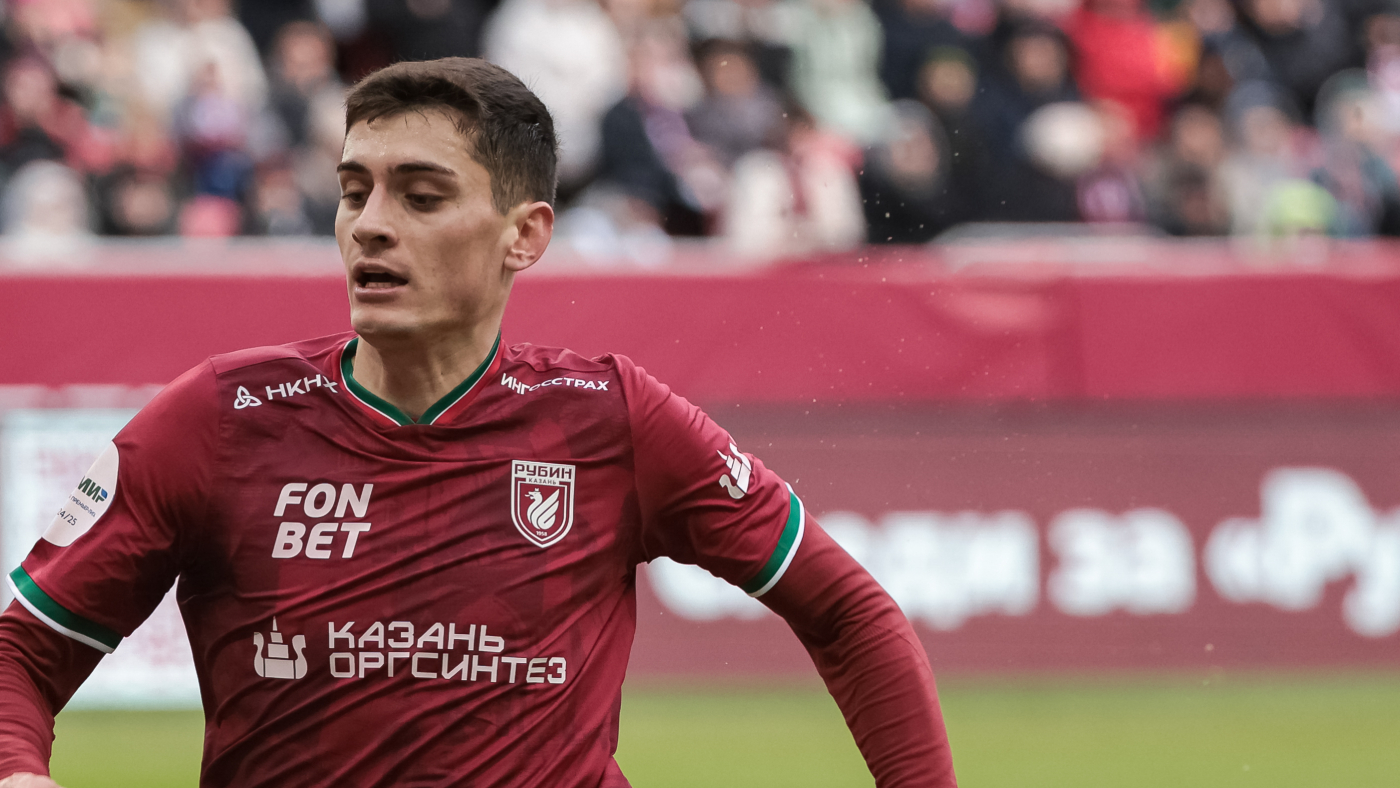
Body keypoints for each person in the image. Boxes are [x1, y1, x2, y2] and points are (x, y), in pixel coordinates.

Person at [0, 58, 956, 787]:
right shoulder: (217, 417)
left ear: (523, 235)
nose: (371, 224)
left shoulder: (614, 419)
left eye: (421, 197)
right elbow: (22, 655)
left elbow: (850, 612)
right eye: (354, 191)